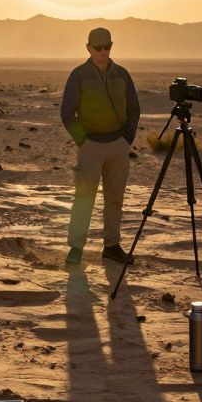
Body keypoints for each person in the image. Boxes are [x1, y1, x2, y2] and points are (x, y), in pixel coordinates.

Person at [60, 27, 140, 267]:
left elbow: (134, 109)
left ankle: (112, 246)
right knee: (84, 198)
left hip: (118, 145)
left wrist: (126, 139)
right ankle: (76, 248)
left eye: (107, 46)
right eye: (98, 47)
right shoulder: (79, 75)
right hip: (91, 145)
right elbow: (67, 113)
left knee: (115, 199)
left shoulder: (122, 74)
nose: (102, 51)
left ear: (111, 46)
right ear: (88, 48)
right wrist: (83, 141)